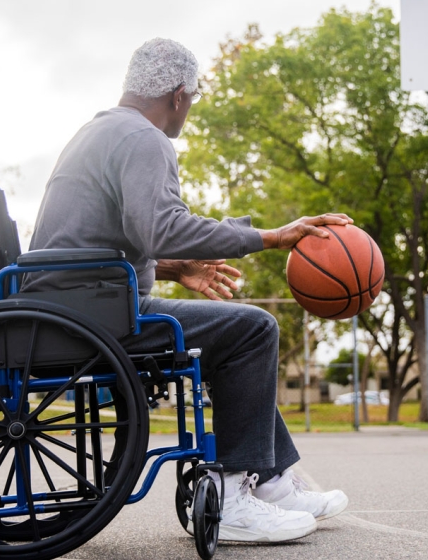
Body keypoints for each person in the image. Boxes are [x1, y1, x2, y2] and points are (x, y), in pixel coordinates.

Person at [25, 38, 349, 543]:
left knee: (229, 332)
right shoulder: (145, 138)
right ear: (179, 95)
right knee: (253, 329)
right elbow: (161, 227)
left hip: (75, 302)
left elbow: (113, 235)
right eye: (192, 100)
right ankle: (238, 492)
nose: (189, 111)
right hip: (98, 317)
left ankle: (272, 481)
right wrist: (270, 237)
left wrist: (175, 270)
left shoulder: (102, 129)